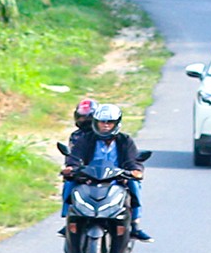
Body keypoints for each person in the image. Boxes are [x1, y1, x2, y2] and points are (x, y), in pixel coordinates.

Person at [62, 100, 148, 241]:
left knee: (135, 185)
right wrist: (71, 168)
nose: (105, 125)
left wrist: (135, 171)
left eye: (110, 122)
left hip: (117, 178)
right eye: (102, 122)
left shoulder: (125, 141)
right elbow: (75, 157)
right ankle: (68, 218)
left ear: (116, 123)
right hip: (90, 177)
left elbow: (132, 160)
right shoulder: (86, 139)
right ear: (95, 122)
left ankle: (135, 224)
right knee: (69, 183)